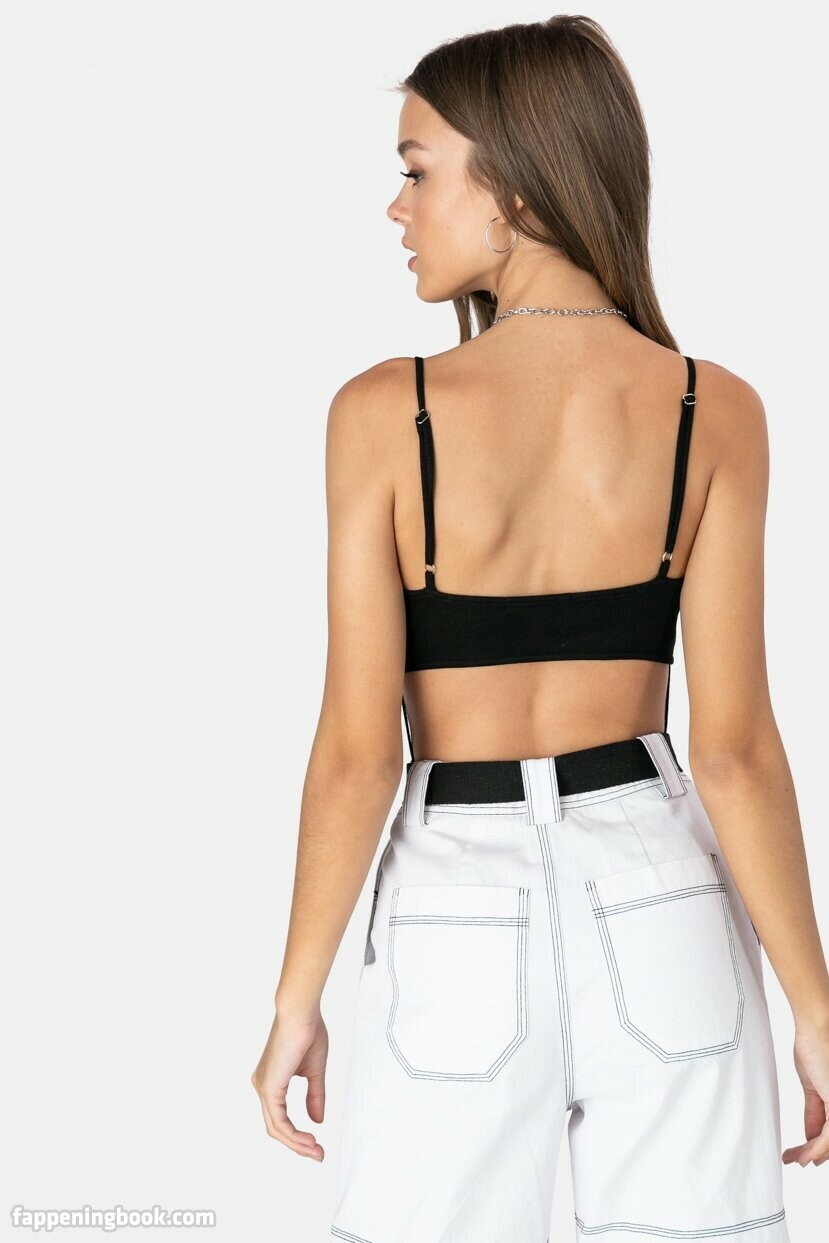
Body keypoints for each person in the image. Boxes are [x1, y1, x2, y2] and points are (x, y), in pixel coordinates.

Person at [251, 15, 828, 1240]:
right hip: (664, 896)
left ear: (510, 188)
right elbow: (732, 751)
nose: (397, 207)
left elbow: (358, 753)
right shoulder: (711, 408)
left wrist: (298, 997)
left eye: (417, 171)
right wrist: (815, 1007)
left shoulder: (384, 413)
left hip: (457, 905)